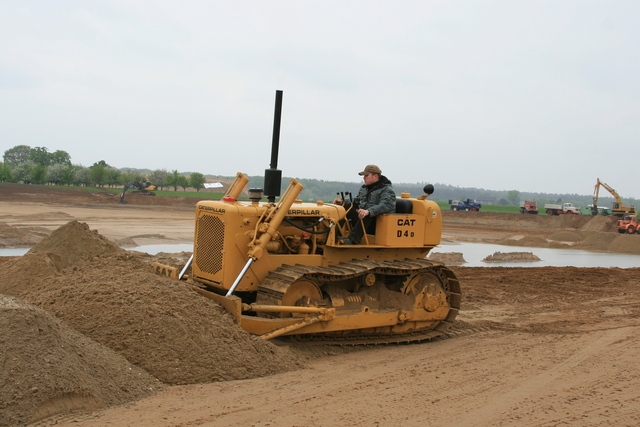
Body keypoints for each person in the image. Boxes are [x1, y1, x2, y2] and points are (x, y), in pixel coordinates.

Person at [334, 164, 396, 244]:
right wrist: (343, 201)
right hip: (362, 220)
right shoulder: (364, 188)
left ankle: (353, 240)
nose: (364, 178)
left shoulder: (386, 190)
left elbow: (387, 205)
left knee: (365, 214)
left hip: (377, 223)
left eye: (366, 175)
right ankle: (334, 235)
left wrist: (369, 211)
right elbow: (357, 200)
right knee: (345, 207)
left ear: (375, 176)